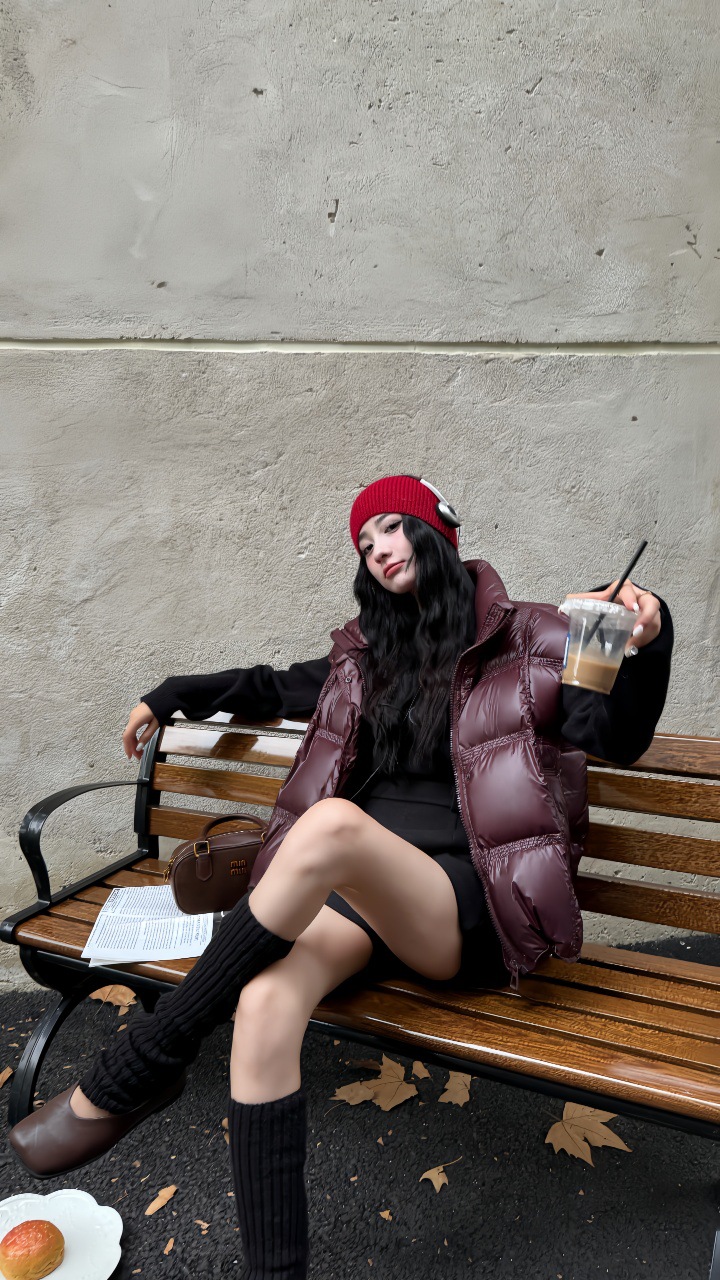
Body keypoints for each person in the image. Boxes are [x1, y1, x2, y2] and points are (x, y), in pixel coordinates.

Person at [10, 475, 672, 1279]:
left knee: (330, 827)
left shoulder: (535, 636)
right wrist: (169, 694)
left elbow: (611, 734)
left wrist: (642, 638)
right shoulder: (365, 655)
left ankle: (142, 1064)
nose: (379, 549)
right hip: (358, 894)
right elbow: (268, 686)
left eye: (393, 527)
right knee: (263, 1004)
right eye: (365, 542)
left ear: (439, 530)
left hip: (461, 904)